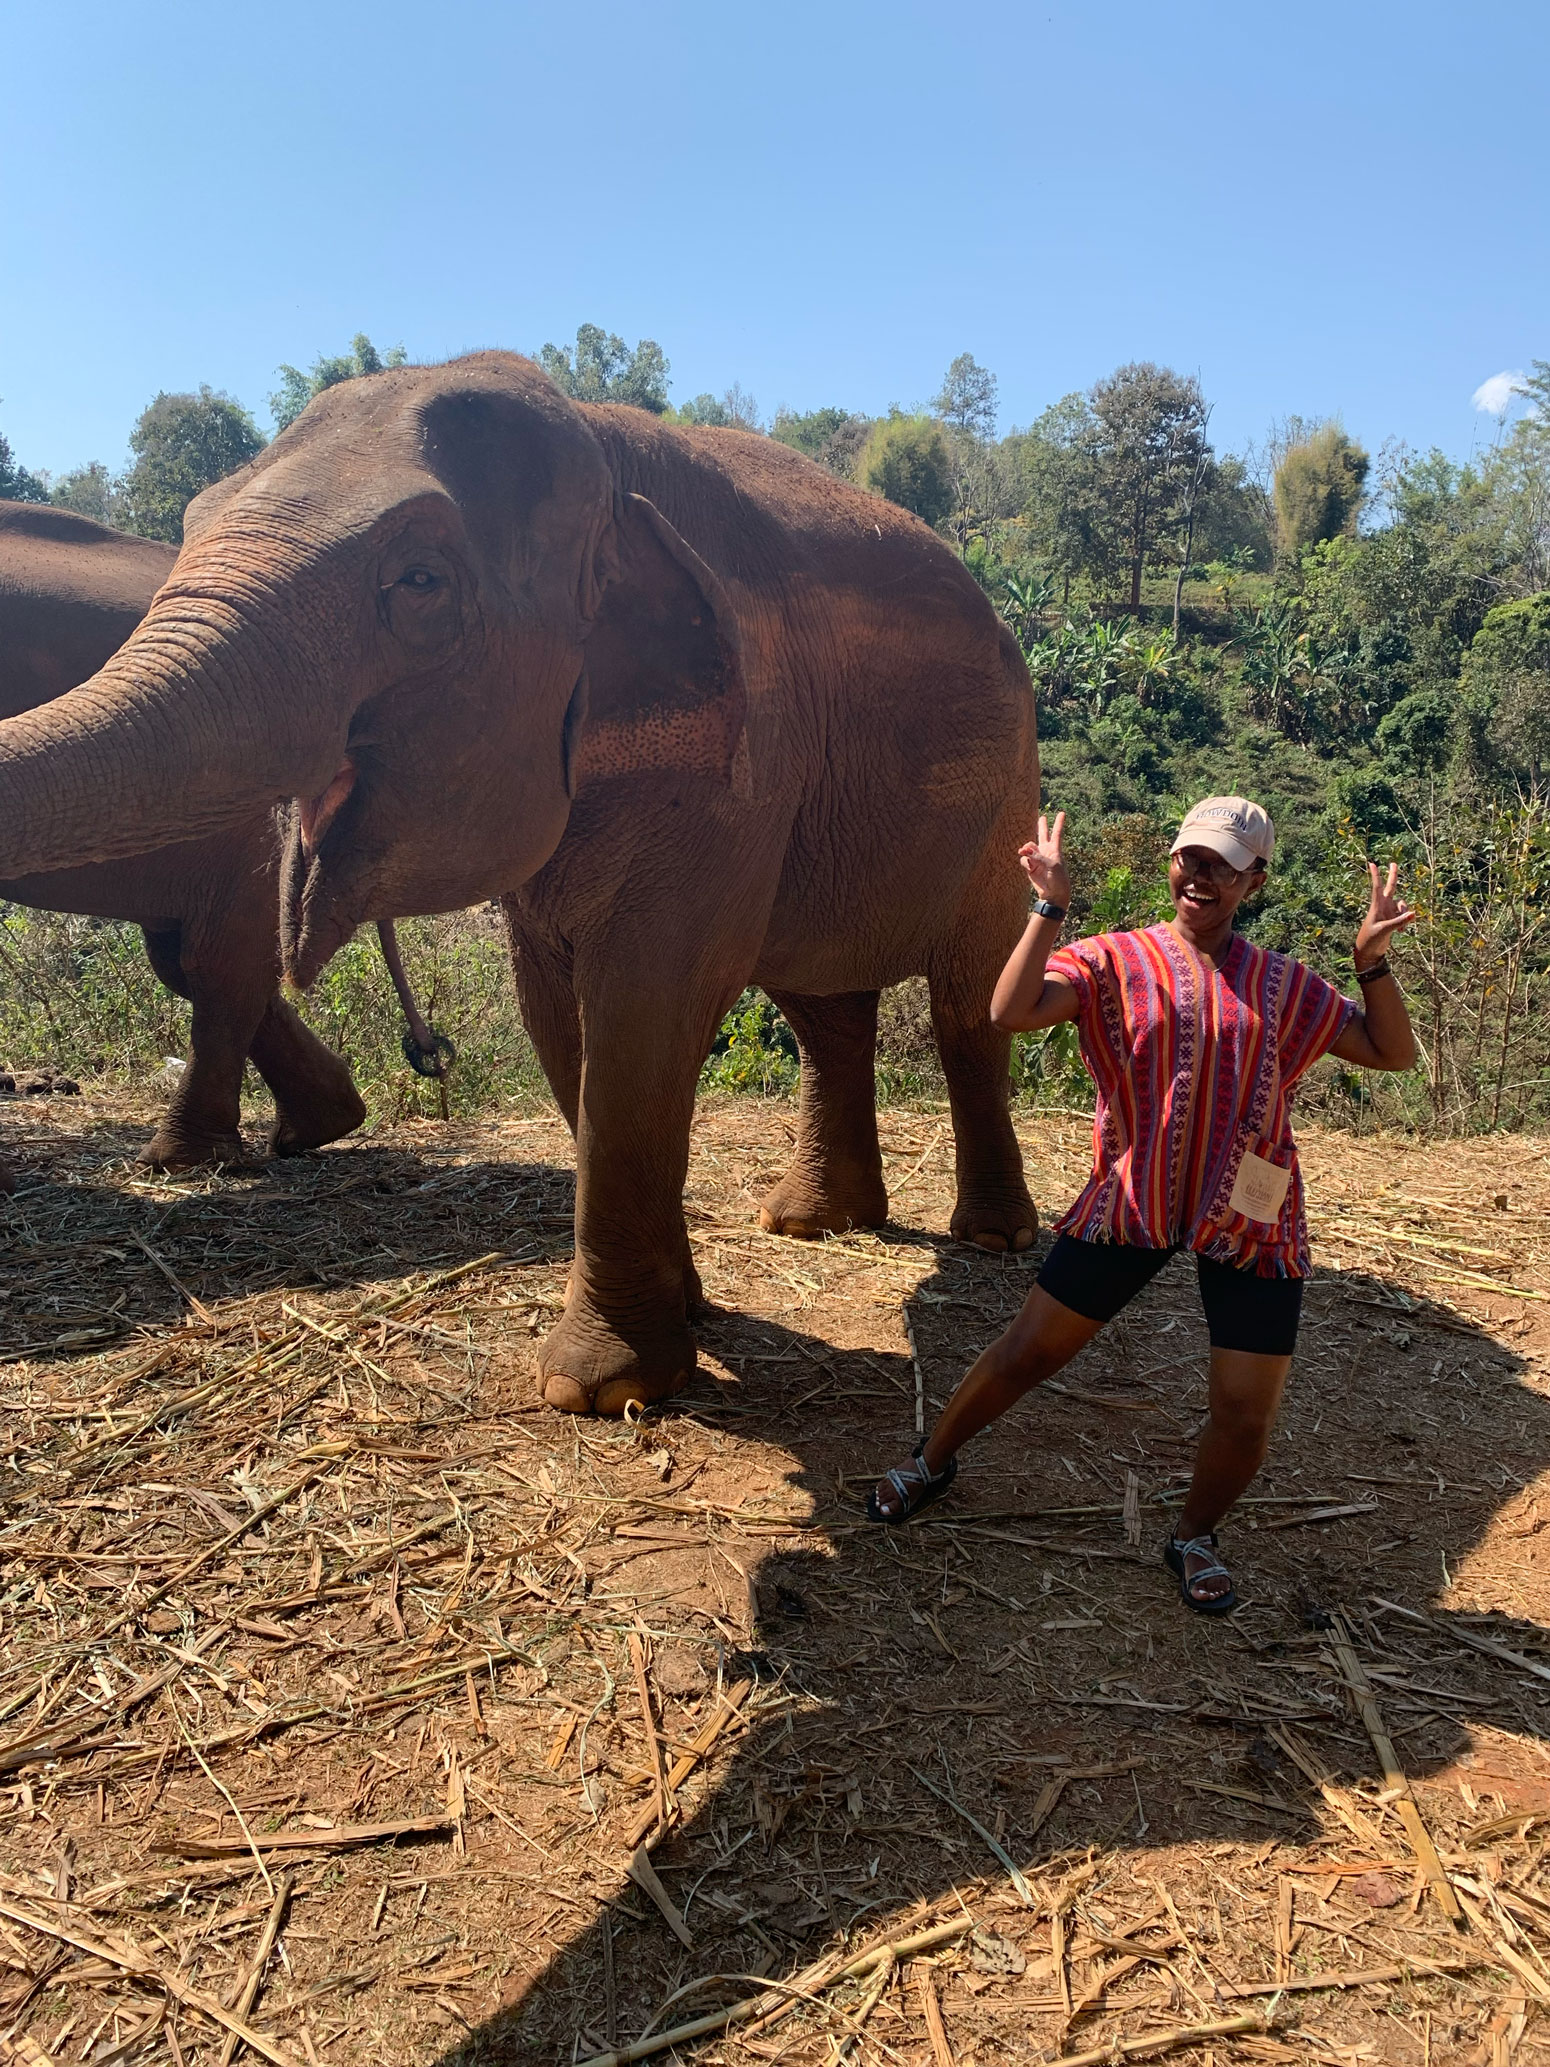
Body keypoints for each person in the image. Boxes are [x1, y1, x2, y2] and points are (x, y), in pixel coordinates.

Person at [866, 795, 1418, 1615]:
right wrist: (1047, 906)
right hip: (1135, 1200)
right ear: (1173, 861)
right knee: (1027, 1352)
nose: (1201, 875)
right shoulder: (1113, 961)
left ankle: (1194, 1534)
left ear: (1253, 880)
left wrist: (1370, 962)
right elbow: (1009, 1011)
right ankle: (932, 1459)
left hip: (1252, 1218)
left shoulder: (1286, 986)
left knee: (1243, 1411)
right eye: (1190, 856)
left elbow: (1391, 1052)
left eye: (1223, 865)